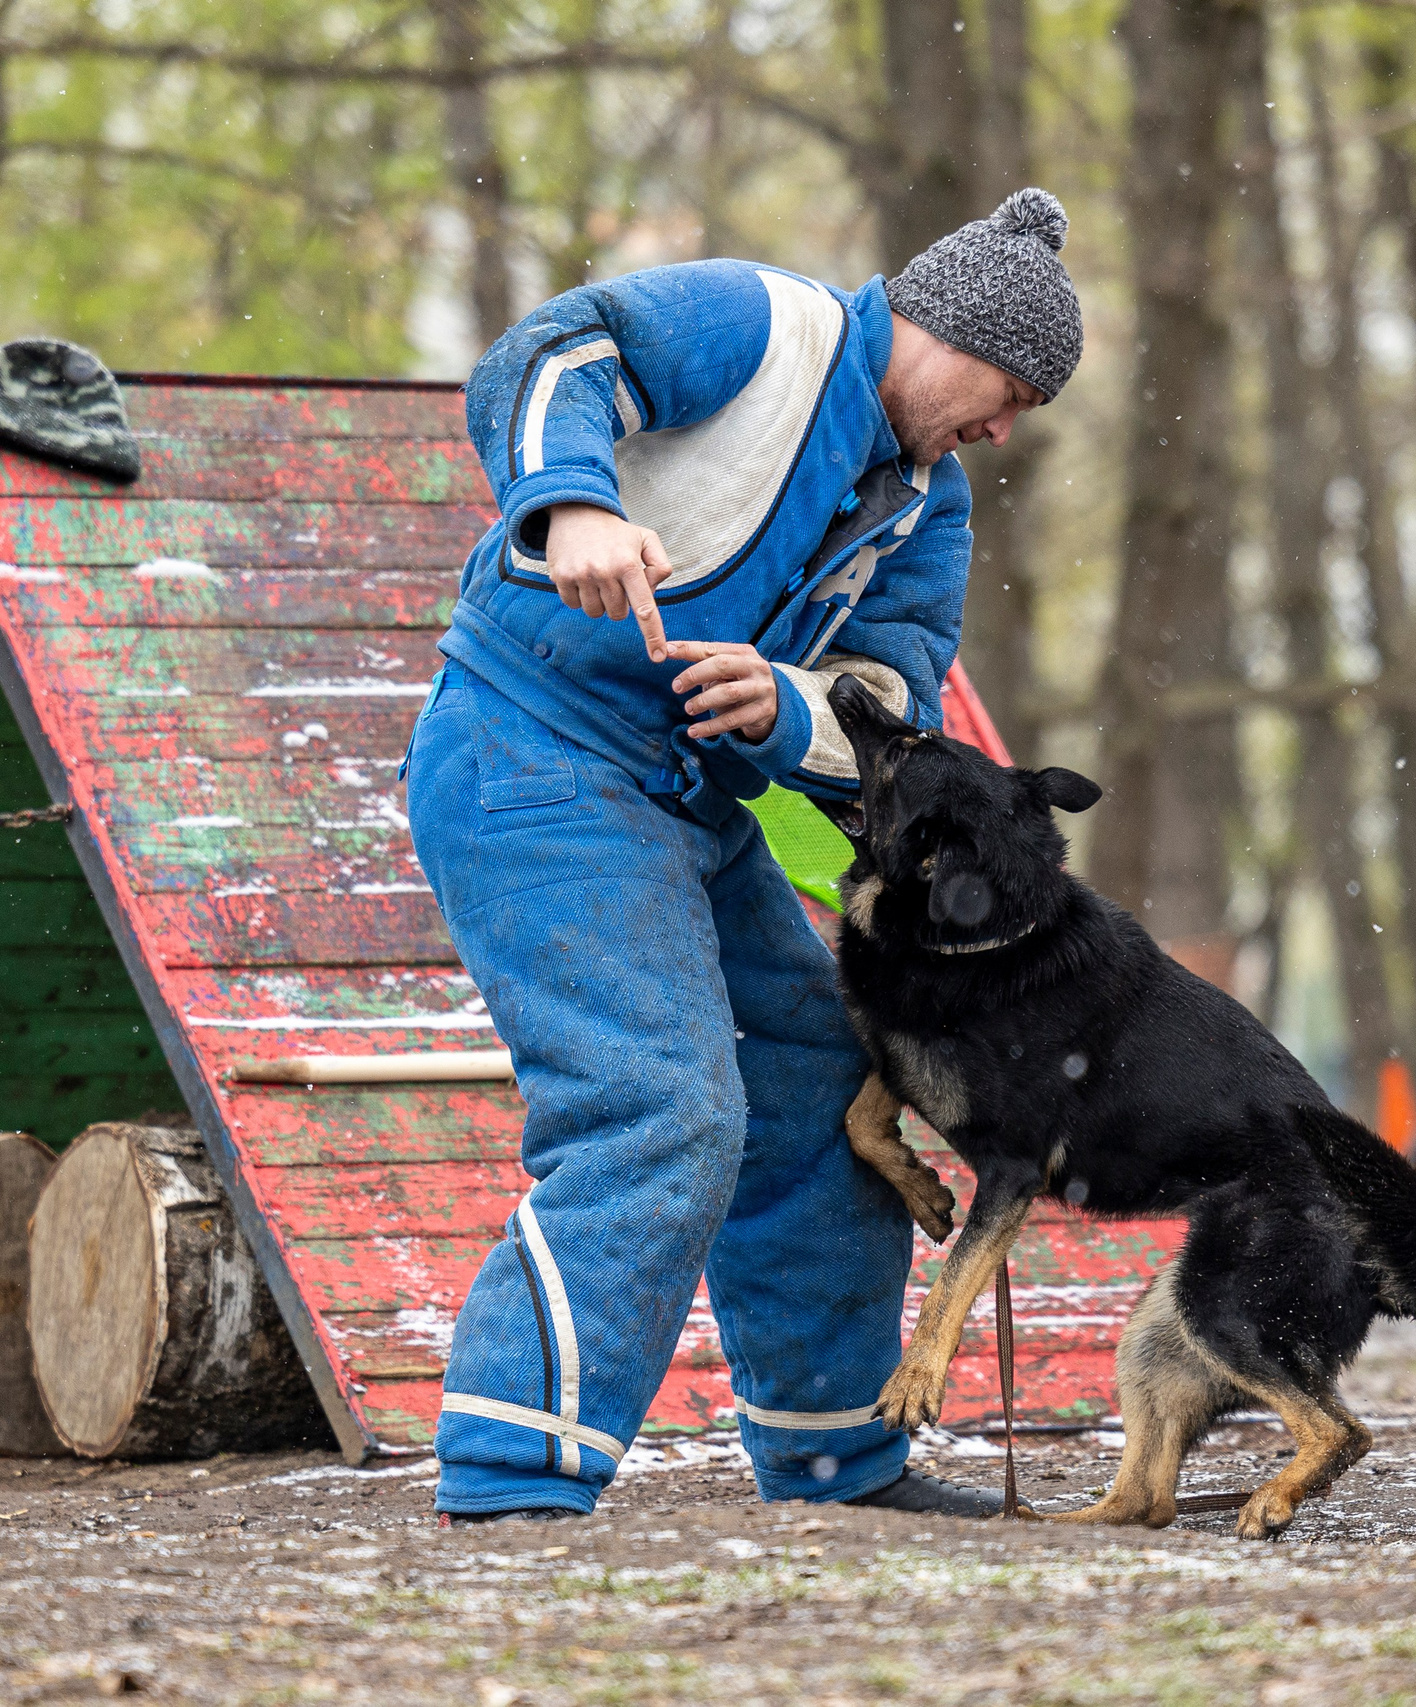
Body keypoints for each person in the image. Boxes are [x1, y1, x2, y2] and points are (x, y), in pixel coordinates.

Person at [403, 188, 1082, 1522]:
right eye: (1007, 391)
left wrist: (786, 710)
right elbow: (555, 355)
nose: (1004, 428)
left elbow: (893, 715)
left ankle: (837, 1454)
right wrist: (569, 506)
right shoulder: (763, 326)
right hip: (526, 757)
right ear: (942, 330)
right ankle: (510, 1471)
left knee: (823, 1084)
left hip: (688, 809)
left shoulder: (927, 513)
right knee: (661, 1105)